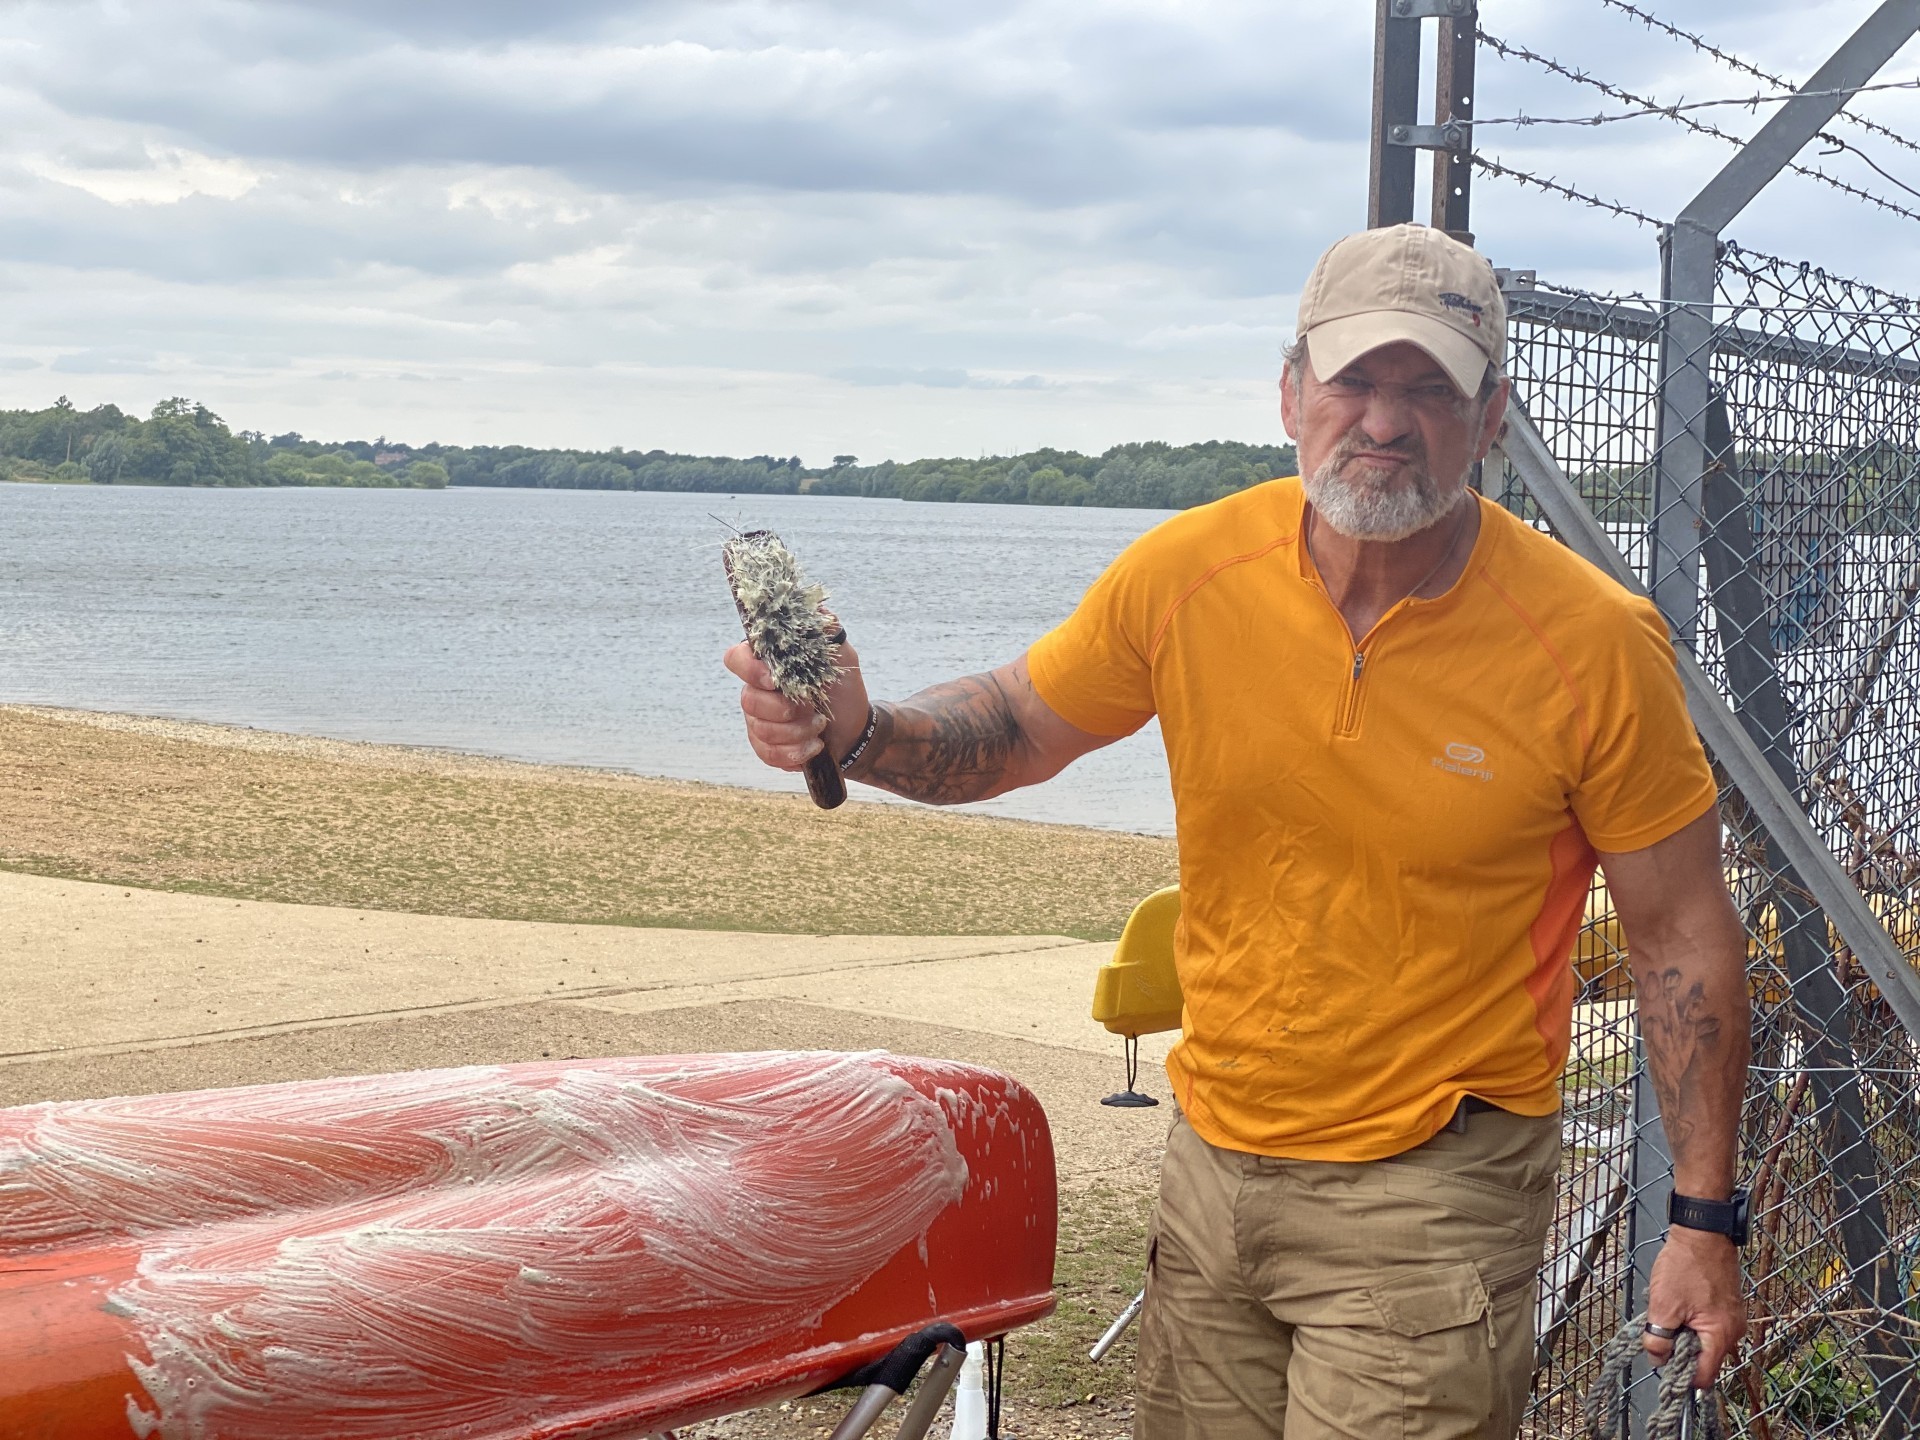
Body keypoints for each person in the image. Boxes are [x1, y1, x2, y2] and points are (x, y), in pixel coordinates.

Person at [723, 223, 1749, 1439]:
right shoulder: (1191, 571)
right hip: (1213, 1163)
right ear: (1290, 392)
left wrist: (1702, 1221)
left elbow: (1683, 933)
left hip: (1434, 1190)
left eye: (1431, 388)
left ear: (1491, 423)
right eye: (1355, 378)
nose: (1383, 419)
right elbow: (1014, 724)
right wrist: (861, 729)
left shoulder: (1590, 642)